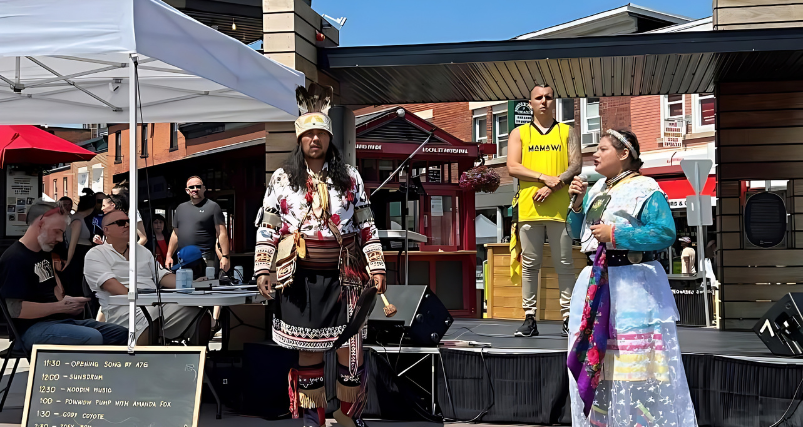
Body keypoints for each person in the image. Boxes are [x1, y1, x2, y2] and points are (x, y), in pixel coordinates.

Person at [255, 83, 386, 427]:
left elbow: (367, 224)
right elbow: (268, 226)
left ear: (330, 139)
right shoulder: (283, 179)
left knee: (350, 350)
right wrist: (262, 270)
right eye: (309, 134)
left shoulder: (350, 177)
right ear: (300, 140)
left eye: (321, 134)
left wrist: (377, 265)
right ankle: (313, 420)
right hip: (299, 276)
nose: (315, 140)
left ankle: (347, 417)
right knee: (309, 349)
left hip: (347, 275)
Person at [565, 129, 697, 426]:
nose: (595, 155)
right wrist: (576, 205)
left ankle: (638, 420)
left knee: (634, 365)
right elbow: (578, 234)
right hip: (596, 279)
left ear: (624, 154)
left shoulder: (645, 187)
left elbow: (664, 233)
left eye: (602, 149)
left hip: (633, 285)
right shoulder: (596, 189)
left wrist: (616, 234)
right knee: (603, 364)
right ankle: (605, 420)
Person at [0, 200, 127, 353]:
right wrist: (60, 307)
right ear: (40, 224)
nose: (60, 239)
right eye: (57, 231)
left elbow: (53, 293)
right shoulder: (14, 258)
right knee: (92, 337)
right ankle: (82, 375)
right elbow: (15, 310)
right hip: (28, 331)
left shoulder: (44, 252)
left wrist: (68, 302)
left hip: (57, 321)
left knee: (121, 333)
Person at [507, 83, 581, 337]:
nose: (543, 101)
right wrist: (543, 177)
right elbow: (513, 167)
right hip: (529, 207)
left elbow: (576, 165)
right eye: (538, 98)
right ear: (530, 104)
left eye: (548, 97)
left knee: (564, 264)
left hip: (560, 208)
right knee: (529, 265)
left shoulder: (567, 131)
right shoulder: (520, 133)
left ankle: (568, 317)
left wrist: (554, 184)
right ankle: (529, 318)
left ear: (554, 102)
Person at [83, 209, 208, 345]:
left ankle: (194, 363)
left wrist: (194, 284)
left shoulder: (141, 250)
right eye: (120, 223)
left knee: (202, 317)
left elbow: (163, 276)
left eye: (129, 222)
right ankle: (142, 362)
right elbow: (110, 285)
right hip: (123, 308)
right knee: (149, 316)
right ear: (106, 230)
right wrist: (146, 300)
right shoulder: (95, 254)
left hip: (154, 303)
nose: (127, 225)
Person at [166, 176, 230, 275]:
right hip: (183, 259)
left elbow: (222, 232)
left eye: (198, 186)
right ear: (187, 190)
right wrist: (169, 255)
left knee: (207, 287)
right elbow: (175, 234)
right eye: (191, 187)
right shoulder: (180, 208)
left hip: (206, 258)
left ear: (204, 188)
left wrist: (225, 256)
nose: (195, 189)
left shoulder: (213, 206)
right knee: (184, 288)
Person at [61, 194, 96, 298]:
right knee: (78, 283)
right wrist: (68, 261)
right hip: (79, 254)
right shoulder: (77, 220)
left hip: (79, 253)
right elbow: (72, 244)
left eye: (69, 204)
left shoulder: (73, 217)